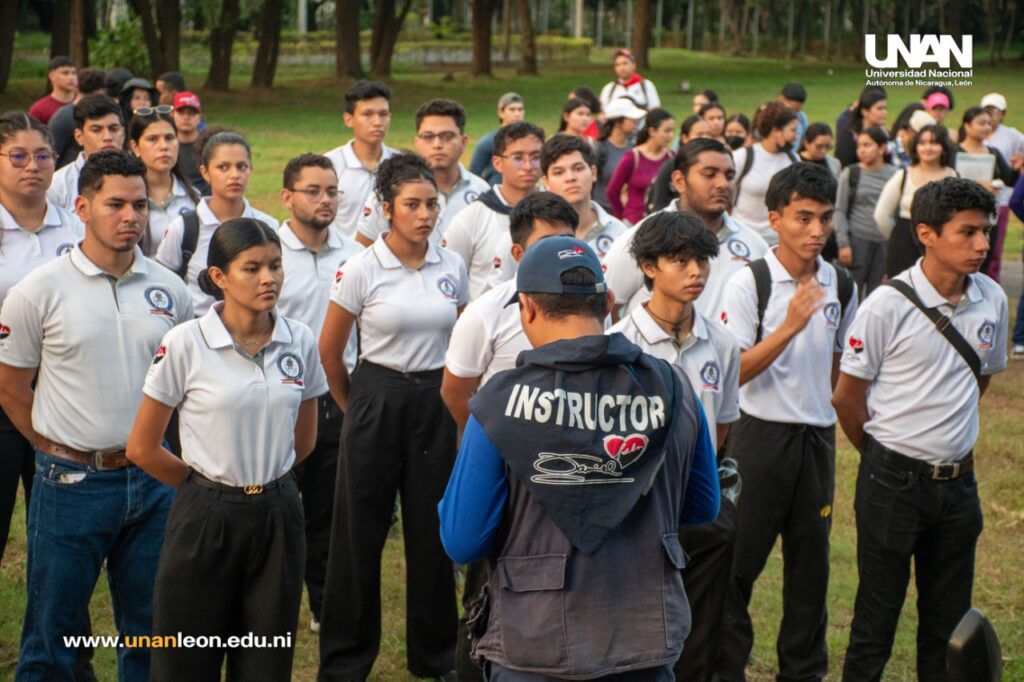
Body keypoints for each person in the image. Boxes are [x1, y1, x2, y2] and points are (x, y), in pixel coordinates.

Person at [438, 235, 719, 680]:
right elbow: (704, 506)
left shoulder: (498, 401)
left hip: (535, 642)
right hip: (645, 633)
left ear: (526, 307)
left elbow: (463, 539)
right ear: (607, 303)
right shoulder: (674, 385)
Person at [0, 149, 191, 681]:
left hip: (153, 484)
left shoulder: (170, 291)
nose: (130, 216)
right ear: (82, 208)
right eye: (115, 205)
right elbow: (11, 386)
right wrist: (53, 447)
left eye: (139, 205)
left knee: (152, 631)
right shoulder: (38, 290)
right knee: (52, 634)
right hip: (71, 482)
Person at [125, 217, 324, 681]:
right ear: (219, 278)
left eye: (275, 265)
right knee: (185, 657)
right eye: (252, 268)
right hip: (205, 516)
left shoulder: (301, 339)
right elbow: (143, 446)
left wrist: (266, 484)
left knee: (265, 659)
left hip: (278, 514)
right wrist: (205, 490)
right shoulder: (185, 343)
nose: (268, 278)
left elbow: (305, 439)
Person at [835, 178, 1007, 681]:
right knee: (875, 621)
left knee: (950, 626)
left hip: (959, 487)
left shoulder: (991, 298)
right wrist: (886, 457)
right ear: (927, 233)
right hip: (891, 484)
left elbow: (981, 376)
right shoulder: (885, 305)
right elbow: (847, 397)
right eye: (968, 232)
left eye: (986, 232)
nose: (982, 245)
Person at [317, 153, 468, 682]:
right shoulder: (361, 268)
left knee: (434, 532)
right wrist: (354, 406)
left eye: (432, 203)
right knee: (358, 533)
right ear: (386, 210)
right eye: (412, 205)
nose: (425, 214)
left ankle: (437, 656)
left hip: (436, 399)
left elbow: (462, 337)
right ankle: (344, 660)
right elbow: (331, 352)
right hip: (376, 394)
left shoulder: (452, 265)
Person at [716, 163, 858, 682]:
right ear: (774, 219)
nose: (816, 231)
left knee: (810, 570)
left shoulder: (841, 283)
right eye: (803, 218)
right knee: (736, 566)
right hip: (758, 439)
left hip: (815, 441)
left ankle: (803, 672)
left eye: (824, 218)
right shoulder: (749, 282)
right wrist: (790, 326)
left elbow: (841, 364)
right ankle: (725, 667)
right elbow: (736, 372)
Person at [441, 192, 578, 682]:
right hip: (504, 475)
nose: (563, 254)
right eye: (548, 243)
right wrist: (493, 446)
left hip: (569, 475)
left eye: (569, 241)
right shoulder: (485, 313)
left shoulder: (589, 308)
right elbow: (457, 392)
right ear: (518, 254)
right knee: (486, 592)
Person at [608, 211, 740, 682]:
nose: (696, 272)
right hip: (638, 507)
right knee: (637, 627)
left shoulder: (722, 343)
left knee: (702, 630)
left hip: (701, 506)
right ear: (647, 266)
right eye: (680, 260)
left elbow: (721, 425)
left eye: (702, 260)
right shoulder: (616, 346)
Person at [274, 152, 362, 634]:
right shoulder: (268, 252)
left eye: (331, 191)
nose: (324, 199)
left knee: (330, 510)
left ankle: (324, 605)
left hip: (337, 397)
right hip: (280, 400)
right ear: (287, 197)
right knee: (282, 508)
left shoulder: (354, 256)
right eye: (313, 190)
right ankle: (276, 603)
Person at [0, 112, 83, 565]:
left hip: (60, 394)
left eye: (42, 155)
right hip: (2, 387)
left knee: (58, 534)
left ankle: (60, 629)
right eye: (17, 155)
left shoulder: (76, 227)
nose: (32, 165)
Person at [604, 138, 770, 321]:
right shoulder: (643, 237)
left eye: (729, 176)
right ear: (679, 180)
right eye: (709, 174)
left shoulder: (755, 244)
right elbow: (607, 303)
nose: (723, 184)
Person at [157, 130, 278, 316]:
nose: (234, 175)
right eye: (223, 167)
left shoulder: (268, 226)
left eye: (242, 166)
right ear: (205, 172)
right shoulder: (183, 229)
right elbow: (164, 285)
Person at [486, 134, 628, 288]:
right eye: (559, 172)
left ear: (593, 173)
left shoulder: (620, 233)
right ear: (546, 181)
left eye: (578, 168)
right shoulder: (520, 235)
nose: (570, 177)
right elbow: (498, 295)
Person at [356, 98, 488, 247]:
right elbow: (363, 249)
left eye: (447, 136)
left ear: (463, 142)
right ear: (416, 142)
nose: (437, 145)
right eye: (428, 137)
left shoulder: (482, 192)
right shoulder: (390, 191)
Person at [444, 122, 544, 299]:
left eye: (536, 156)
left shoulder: (558, 214)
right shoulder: (471, 218)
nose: (528, 166)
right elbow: (450, 281)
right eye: (518, 158)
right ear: (498, 163)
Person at [875, 124, 958, 278]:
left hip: (940, 244)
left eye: (934, 143)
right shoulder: (902, 176)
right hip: (904, 244)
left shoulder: (953, 176)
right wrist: (896, 238)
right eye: (922, 143)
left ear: (944, 147)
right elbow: (881, 215)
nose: (928, 147)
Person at [325, 80, 397, 238]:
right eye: (367, 114)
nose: (377, 122)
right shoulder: (329, 166)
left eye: (383, 114)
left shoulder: (402, 165)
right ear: (348, 119)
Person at [834, 126, 897, 295]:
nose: (861, 150)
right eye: (859, 146)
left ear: (882, 148)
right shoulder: (851, 173)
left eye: (867, 145)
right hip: (857, 242)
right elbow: (839, 209)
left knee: (878, 293)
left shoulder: (896, 174)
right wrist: (843, 244)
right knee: (850, 291)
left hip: (885, 244)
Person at [127, 107, 200, 255]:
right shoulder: (126, 199)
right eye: (152, 139)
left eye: (169, 138)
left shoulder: (194, 197)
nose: (164, 146)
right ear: (135, 147)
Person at [957, 106, 1018, 282]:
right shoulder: (954, 151)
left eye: (989, 124)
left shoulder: (994, 153)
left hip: (988, 216)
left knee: (983, 260)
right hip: (960, 216)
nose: (986, 127)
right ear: (967, 126)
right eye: (981, 123)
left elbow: (1010, 180)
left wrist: (1017, 168)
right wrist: (977, 185)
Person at [731, 101, 799, 245]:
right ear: (776, 131)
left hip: (777, 241)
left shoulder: (793, 160)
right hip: (742, 238)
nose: (796, 136)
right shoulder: (743, 157)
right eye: (792, 130)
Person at [47, 94, 125, 212]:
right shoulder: (58, 185)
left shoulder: (141, 178)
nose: (108, 137)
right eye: (96, 130)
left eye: (114, 129)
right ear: (79, 136)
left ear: (123, 134)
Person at [606, 107, 675, 224]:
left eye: (673, 131)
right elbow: (612, 191)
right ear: (652, 131)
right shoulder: (633, 157)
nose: (671, 135)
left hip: (662, 224)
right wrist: (621, 218)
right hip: (634, 223)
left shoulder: (672, 158)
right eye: (667, 131)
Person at [649, 115, 714, 211]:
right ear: (685, 138)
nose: (705, 138)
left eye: (708, 134)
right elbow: (658, 206)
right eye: (699, 134)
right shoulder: (671, 166)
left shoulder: (715, 165)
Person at [592, 97, 645, 211]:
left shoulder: (634, 148)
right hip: (604, 210)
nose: (637, 122)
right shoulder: (600, 148)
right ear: (618, 122)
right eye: (632, 119)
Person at [49, 67, 106, 169]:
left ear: (77, 87)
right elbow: (51, 154)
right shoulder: (65, 117)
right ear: (100, 90)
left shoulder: (62, 115)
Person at [469, 92, 525, 185]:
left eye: (520, 110)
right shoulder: (488, 142)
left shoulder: (529, 141)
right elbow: (474, 173)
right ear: (501, 113)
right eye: (512, 110)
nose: (517, 114)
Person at [835, 86, 888, 168]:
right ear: (865, 111)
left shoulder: (885, 134)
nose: (884, 112)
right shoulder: (850, 135)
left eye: (885, 108)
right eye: (879, 109)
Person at [171, 91, 208, 195]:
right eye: (181, 112)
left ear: (200, 117)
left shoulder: (209, 146)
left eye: (191, 113)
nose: (186, 117)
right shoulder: (166, 147)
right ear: (172, 114)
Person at [28, 56, 77, 125]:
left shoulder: (84, 103)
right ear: (51, 76)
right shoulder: (39, 110)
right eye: (65, 73)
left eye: (74, 73)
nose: (71, 77)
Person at [779, 82, 810, 149]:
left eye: (797, 110)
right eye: (791, 109)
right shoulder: (769, 118)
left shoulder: (802, 118)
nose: (794, 114)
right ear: (781, 99)